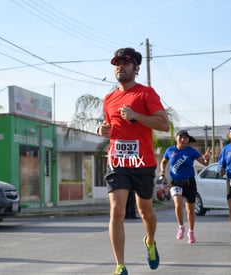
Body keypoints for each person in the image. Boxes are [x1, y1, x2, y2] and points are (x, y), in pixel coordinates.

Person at [97, 47, 170, 275]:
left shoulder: (146, 94)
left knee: (145, 211)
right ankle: (120, 265)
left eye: (126, 63)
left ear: (136, 68)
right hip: (118, 162)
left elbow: (164, 125)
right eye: (117, 63)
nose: (120, 66)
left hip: (142, 162)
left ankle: (150, 241)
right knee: (116, 211)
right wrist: (103, 130)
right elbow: (111, 128)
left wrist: (137, 116)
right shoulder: (108, 99)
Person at [159, 130, 211, 244]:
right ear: (176, 138)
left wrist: (207, 158)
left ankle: (191, 231)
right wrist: (162, 171)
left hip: (189, 182)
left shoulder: (192, 151)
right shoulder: (170, 150)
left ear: (188, 140)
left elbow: (205, 163)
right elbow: (163, 161)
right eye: (181, 137)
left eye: (186, 138)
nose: (183, 140)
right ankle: (181, 227)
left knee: (190, 211)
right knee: (178, 204)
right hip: (175, 182)